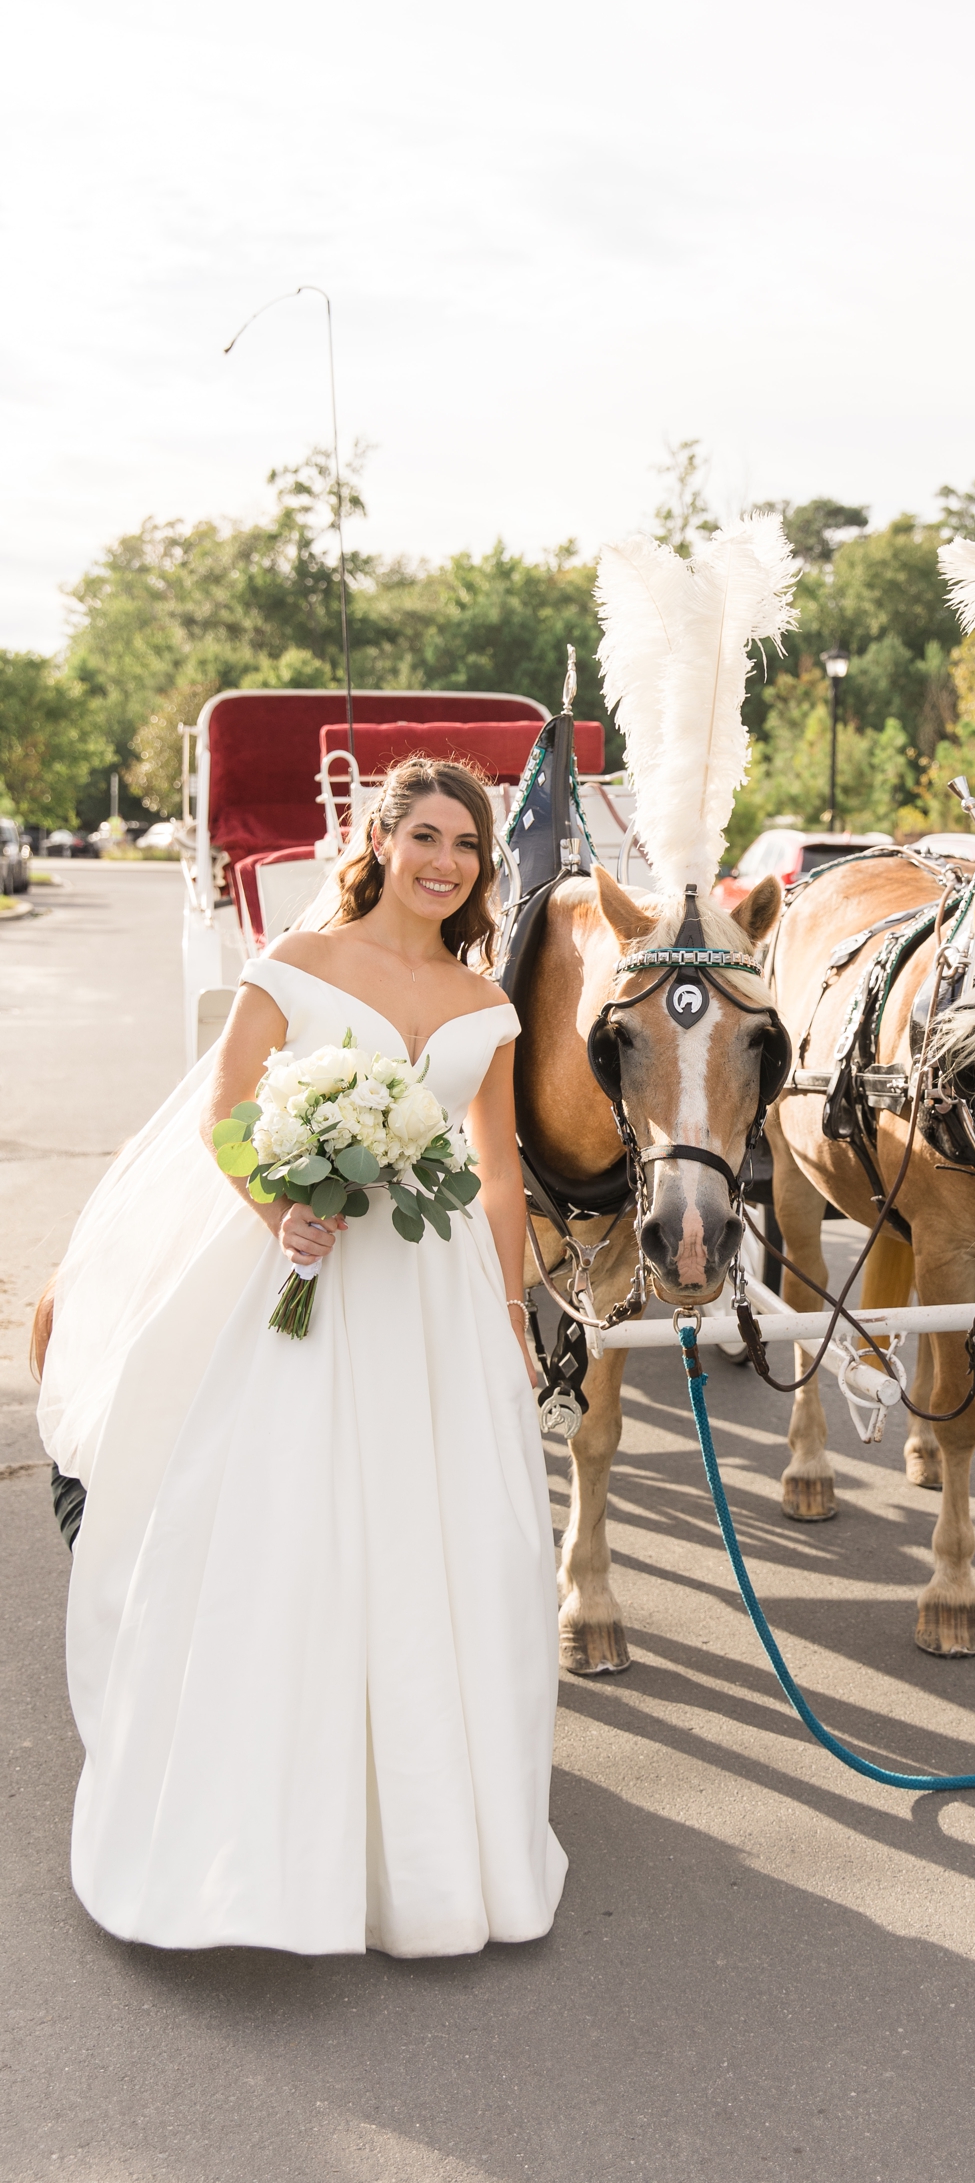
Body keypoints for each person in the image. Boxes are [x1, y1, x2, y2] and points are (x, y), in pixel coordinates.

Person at [38, 757, 567, 1953]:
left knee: (448, 1546)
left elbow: (495, 1184)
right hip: (311, 1285)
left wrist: (508, 1320)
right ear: (380, 841)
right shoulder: (291, 970)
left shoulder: (488, 1005)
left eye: (467, 846)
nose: (446, 862)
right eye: (425, 835)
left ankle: (429, 1845)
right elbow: (227, 1116)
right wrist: (282, 1208)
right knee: (293, 1529)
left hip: (435, 1309)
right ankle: (255, 1836)